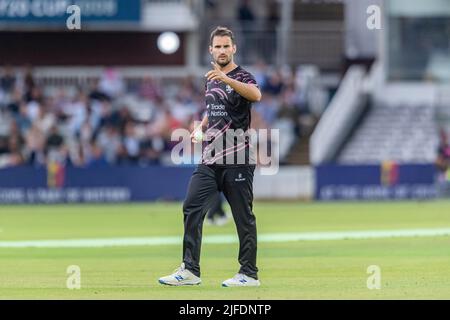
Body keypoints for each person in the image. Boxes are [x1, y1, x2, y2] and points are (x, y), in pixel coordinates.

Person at [158, 26, 262, 287]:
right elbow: (213, 108)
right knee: (192, 205)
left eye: (227, 46)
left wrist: (227, 79)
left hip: (237, 157)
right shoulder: (212, 78)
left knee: (242, 216)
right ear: (211, 50)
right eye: (218, 46)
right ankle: (190, 270)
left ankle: (249, 274)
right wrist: (200, 127)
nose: (223, 50)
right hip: (210, 157)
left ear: (234, 48)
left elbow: (256, 95)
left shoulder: (242, 76)